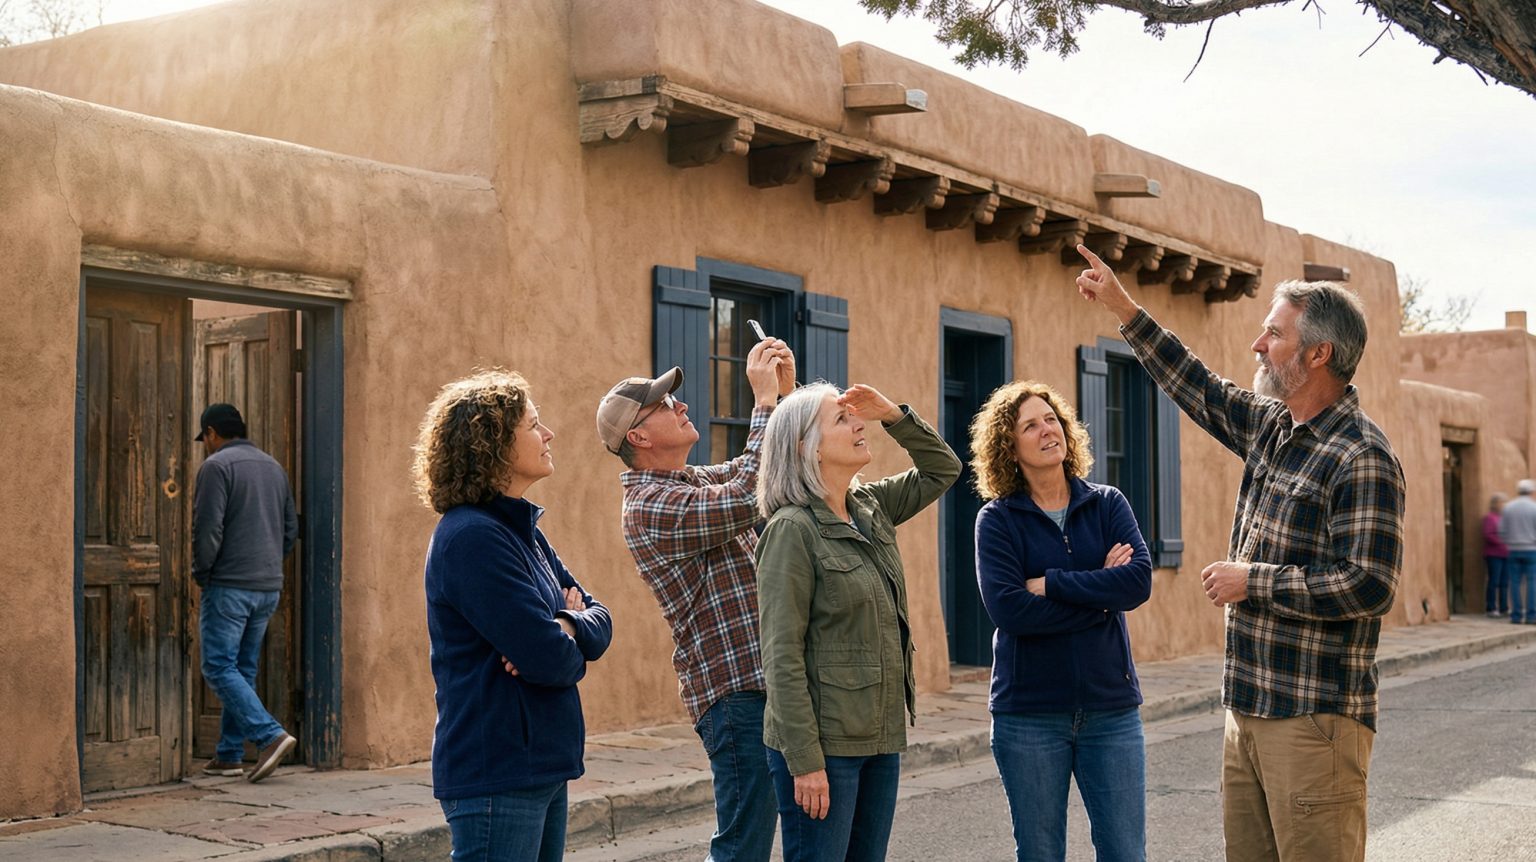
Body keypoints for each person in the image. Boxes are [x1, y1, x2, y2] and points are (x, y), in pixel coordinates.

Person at [1075, 245, 1406, 862]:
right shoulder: (1272, 427)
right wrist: (1122, 305)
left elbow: (1368, 585)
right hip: (1247, 709)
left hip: (1313, 719)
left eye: (1273, 333)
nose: (1257, 345)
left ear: (1317, 354)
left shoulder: (1362, 456)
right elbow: (1195, 384)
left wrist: (1255, 581)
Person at [598, 337, 795, 862]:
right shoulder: (648, 503)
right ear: (638, 435)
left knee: (771, 831)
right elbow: (750, 491)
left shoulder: (687, 480)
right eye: (665, 404)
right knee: (743, 844)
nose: (681, 405)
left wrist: (787, 393)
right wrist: (761, 403)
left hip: (763, 685)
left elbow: (771, 470)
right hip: (734, 696)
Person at [755, 382, 961, 862]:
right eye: (842, 419)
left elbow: (943, 468)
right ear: (807, 447)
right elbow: (780, 655)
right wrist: (805, 762)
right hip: (824, 750)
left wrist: (893, 414)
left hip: (879, 735)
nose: (859, 424)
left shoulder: (870, 507)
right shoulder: (792, 530)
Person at [415, 370, 613, 862]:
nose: (548, 435)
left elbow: (600, 617)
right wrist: (562, 636)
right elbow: (549, 660)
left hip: (542, 763)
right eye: (533, 425)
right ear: (492, 442)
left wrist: (568, 624)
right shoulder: (471, 538)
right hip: (496, 768)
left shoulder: (524, 530)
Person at [969, 380, 1153, 862]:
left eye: (1051, 419)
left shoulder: (1108, 503)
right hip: (1029, 716)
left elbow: (1136, 583)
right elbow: (1010, 611)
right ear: (1008, 447)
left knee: (1125, 853)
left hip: (1111, 712)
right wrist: (1101, 594)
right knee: (1040, 853)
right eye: (1030, 425)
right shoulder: (997, 521)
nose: (1046, 429)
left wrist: (1051, 583)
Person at [192, 402, 300, 783]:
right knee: (242, 667)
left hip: (230, 585)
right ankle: (229, 753)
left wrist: (202, 573)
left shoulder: (216, 467)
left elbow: (208, 529)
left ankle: (268, 735)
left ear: (211, 433)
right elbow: (290, 529)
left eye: (204, 438)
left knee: (218, 666)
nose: (206, 444)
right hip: (267, 587)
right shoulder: (274, 467)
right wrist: (269, 563)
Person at [1501, 479, 1536, 625]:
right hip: (1531, 549)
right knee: (1532, 583)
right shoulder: (1534, 507)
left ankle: (1516, 615)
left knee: (1514, 583)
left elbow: (1502, 530)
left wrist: (1508, 541)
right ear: (1531, 491)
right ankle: (1531, 615)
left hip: (1513, 549)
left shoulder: (1508, 507)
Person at [1482, 493, 1510, 618]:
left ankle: (1504, 607)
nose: (1504, 506)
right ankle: (1491, 607)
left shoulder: (1504, 518)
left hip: (1506, 554)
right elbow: (1488, 535)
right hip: (1494, 554)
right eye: (1501, 503)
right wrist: (1502, 541)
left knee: (1504, 582)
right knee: (1494, 580)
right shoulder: (1490, 518)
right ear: (1495, 504)